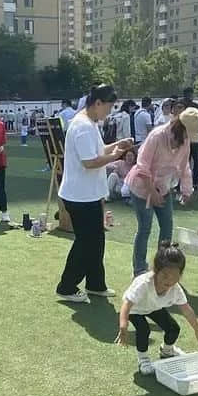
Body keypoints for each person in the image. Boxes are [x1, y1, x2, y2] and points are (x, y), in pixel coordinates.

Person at [56, 84, 134, 303]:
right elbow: (90, 161)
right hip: (79, 196)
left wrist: (118, 145)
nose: (109, 113)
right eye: (108, 107)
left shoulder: (89, 122)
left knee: (96, 240)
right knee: (85, 242)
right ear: (98, 103)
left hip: (88, 194)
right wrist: (116, 156)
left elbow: (98, 151)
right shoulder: (82, 126)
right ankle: (66, 286)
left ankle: (95, 284)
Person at [115, 245, 198, 374]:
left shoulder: (175, 288)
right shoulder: (144, 283)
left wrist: (197, 328)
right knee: (143, 330)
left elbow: (186, 309)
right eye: (165, 275)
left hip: (153, 307)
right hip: (136, 309)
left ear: (180, 275)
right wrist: (123, 325)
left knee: (173, 328)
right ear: (156, 271)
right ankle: (143, 359)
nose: (169, 281)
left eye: (175, 276)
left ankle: (167, 350)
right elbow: (127, 304)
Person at [125, 107, 194, 276]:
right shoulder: (156, 136)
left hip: (164, 187)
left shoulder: (186, 141)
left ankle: (162, 266)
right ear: (179, 129)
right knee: (145, 228)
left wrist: (186, 190)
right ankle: (139, 269)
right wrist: (152, 192)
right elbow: (142, 167)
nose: (186, 140)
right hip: (141, 187)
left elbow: (184, 167)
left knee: (167, 227)